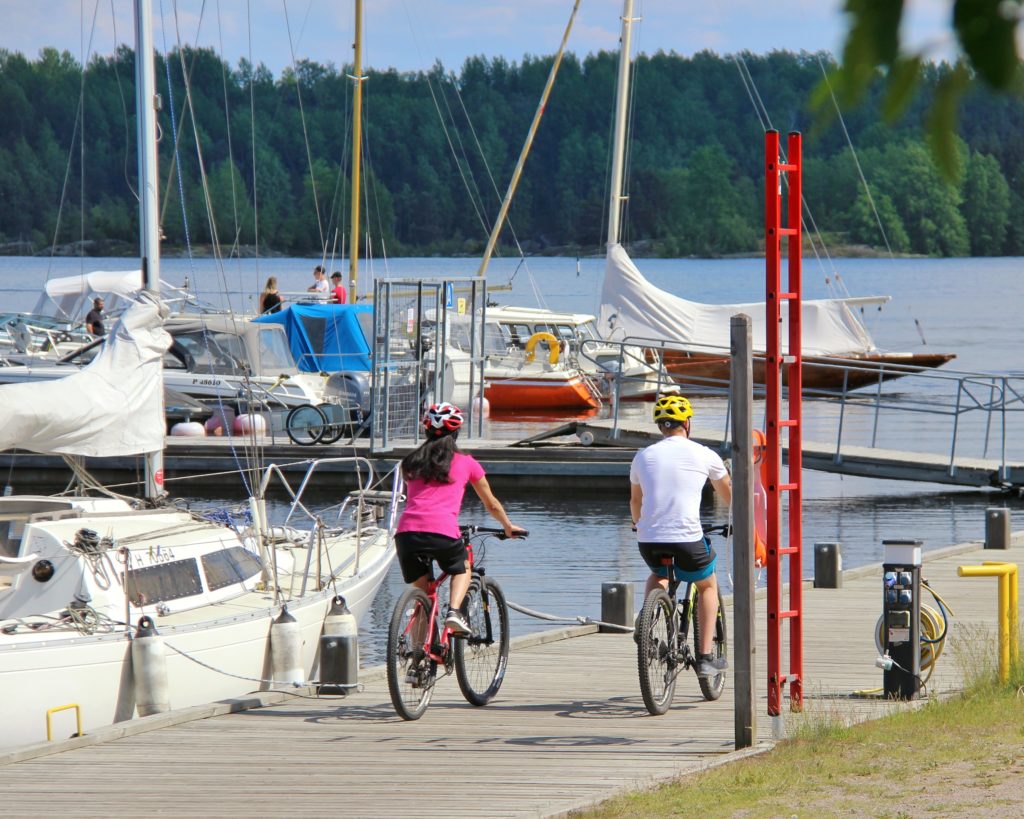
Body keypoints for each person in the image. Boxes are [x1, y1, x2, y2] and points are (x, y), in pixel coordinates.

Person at [395, 402, 525, 635]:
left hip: (406, 534)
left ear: (426, 431)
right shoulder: (467, 463)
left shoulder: (410, 462)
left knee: (423, 597)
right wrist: (507, 526)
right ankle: (454, 612)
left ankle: (416, 661)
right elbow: (491, 504)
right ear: (456, 433)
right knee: (463, 567)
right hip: (442, 530)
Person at [629, 394, 732, 677]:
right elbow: (730, 496)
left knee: (658, 573)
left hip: (648, 539)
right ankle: (705, 657)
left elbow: (635, 503)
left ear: (661, 427)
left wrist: (638, 524)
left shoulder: (642, 456)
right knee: (707, 584)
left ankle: (646, 624)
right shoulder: (705, 454)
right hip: (686, 538)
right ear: (687, 423)